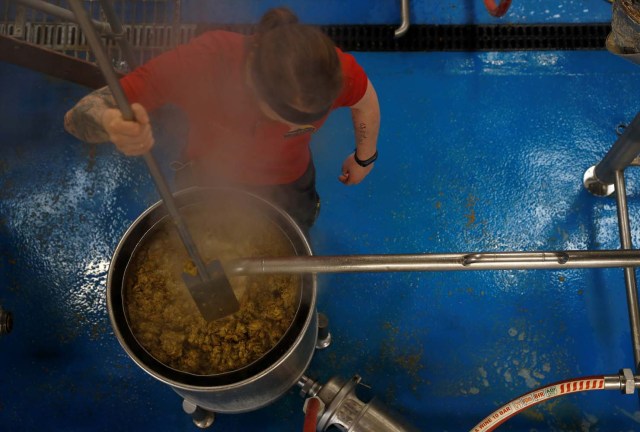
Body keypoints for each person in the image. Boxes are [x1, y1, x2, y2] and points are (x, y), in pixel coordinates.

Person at [64, 7, 380, 232]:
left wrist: (365, 158)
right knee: (205, 239)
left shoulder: (330, 69)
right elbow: (78, 116)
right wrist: (110, 123)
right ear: (255, 88)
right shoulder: (203, 61)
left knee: (294, 235)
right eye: (282, 118)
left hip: (290, 182)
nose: (287, 128)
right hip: (209, 178)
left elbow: (365, 102)